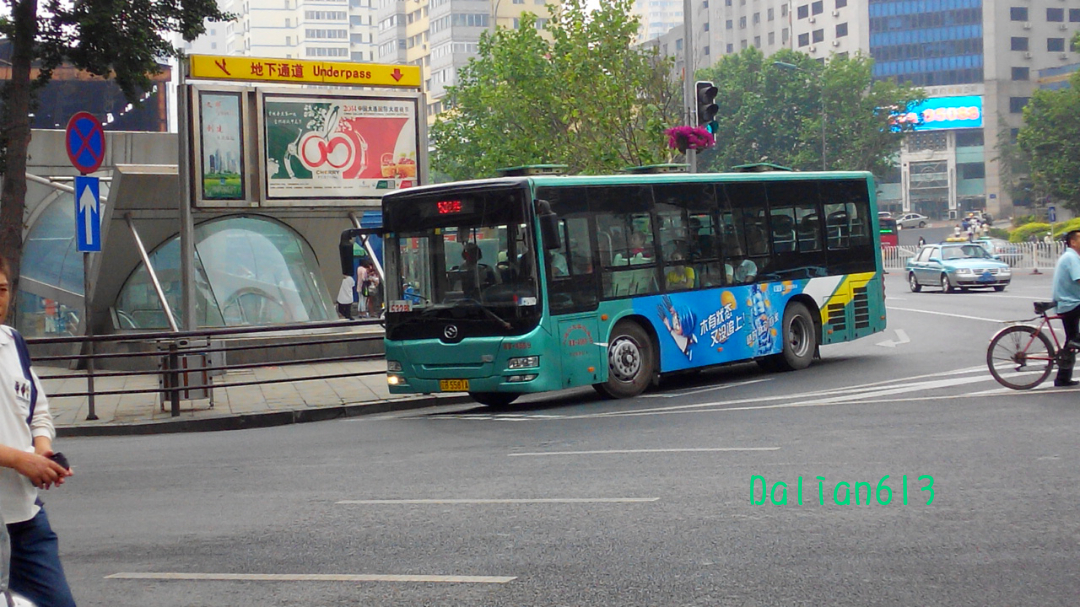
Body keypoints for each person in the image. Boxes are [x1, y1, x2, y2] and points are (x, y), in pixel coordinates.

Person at [0, 256, 77, 607]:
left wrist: (42, 451)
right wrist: (20, 460)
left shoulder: (12, 343)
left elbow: (37, 412)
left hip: (24, 517)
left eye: (2, 289)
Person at [1051, 229, 1080, 386]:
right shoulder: (1071, 257)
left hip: (1069, 302)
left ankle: (1062, 378)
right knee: (1073, 340)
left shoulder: (1072, 257)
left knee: (1071, 340)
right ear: (1073, 242)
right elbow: (1079, 278)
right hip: (1070, 303)